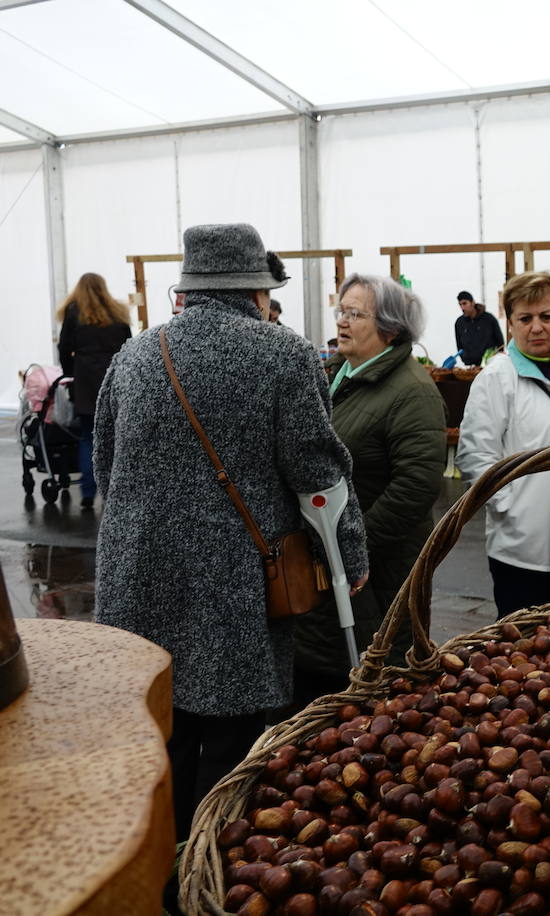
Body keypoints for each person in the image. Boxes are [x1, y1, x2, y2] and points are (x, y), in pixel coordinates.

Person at [93, 223, 368, 841]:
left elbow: (104, 465)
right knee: (228, 743)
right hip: (235, 581)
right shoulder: (282, 353)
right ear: (256, 289)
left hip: (139, 574)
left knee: (159, 730)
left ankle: (152, 866)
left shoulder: (134, 354)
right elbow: (318, 476)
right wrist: (347, 554)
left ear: (189, 285)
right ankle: (205, 866)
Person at [294, 274, 447, 701]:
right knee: (323, 684)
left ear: (391, 327)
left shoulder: (412, 392)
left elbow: (415, 487)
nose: (342, 322)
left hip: (377, 575)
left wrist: (352, 548)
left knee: (375, 685)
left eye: (355, 314)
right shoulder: (335, 376)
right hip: (330, 568)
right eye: (340, 311)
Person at [460, 272, 550, 615]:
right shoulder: (498, 378)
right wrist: (511, 510)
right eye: (525, 319)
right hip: (524, 550)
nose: (537, 327)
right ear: (510, 323)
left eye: (546, 316)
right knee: (519, 651)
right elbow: (475, 455)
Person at [56, 272, 132, 509]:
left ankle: (88, 494)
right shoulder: (117, 312)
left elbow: (64, 347)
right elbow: (129, 345)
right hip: (115, 379)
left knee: (88, 438)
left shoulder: (74, 313)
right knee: (118, 437)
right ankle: (117, 492)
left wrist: (71, 373)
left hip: (86, 382)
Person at [454, 290, 502, 366]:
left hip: (488, 366)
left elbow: (500, 343)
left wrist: (495, 360)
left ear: (472, 302)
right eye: (460, 304)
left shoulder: (489, 319)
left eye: (464, 303)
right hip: (469, 367)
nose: (462, 307)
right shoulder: (459, 323)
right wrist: (465, 359)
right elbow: (459, 345)